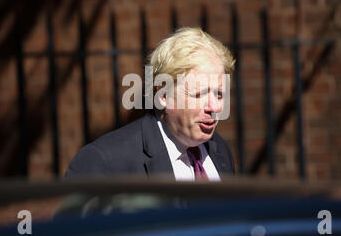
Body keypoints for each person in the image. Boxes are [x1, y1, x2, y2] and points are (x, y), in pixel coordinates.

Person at [65, 27, 236, 181]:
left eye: (219, 94)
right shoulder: (105, 161)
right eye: (199, 94)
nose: (215, 108)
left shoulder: (219, 149)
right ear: (162, 94)